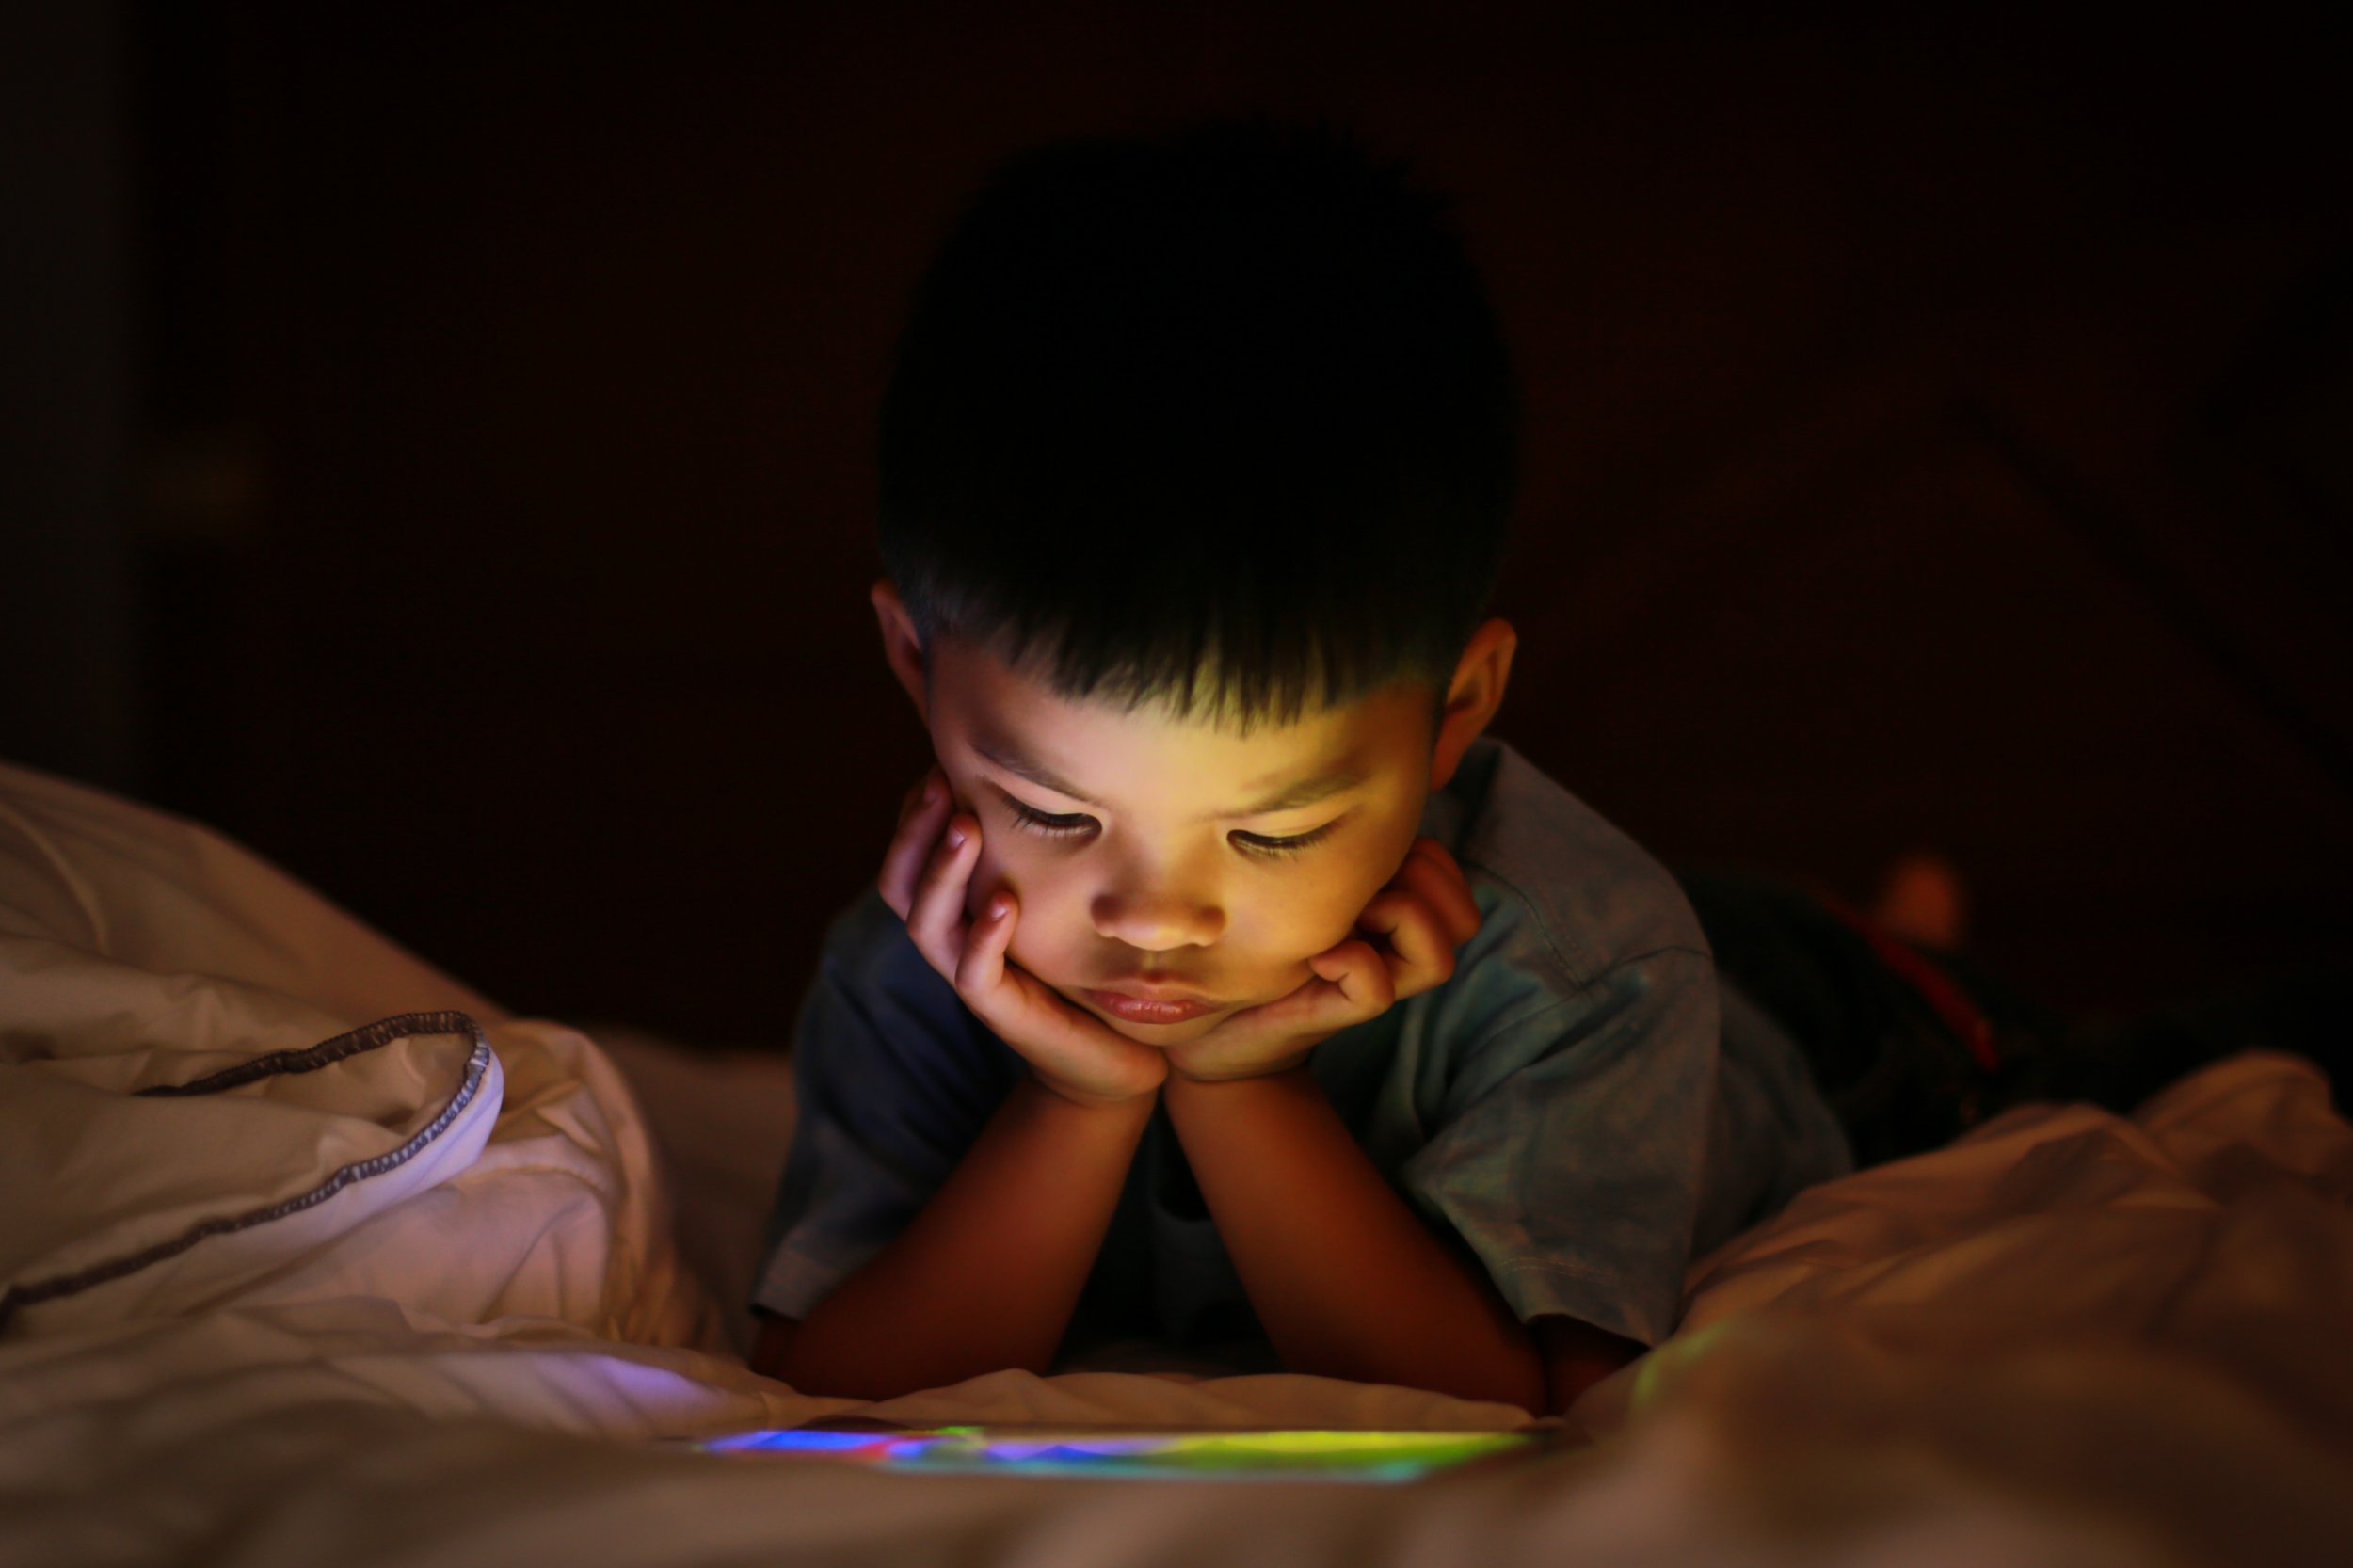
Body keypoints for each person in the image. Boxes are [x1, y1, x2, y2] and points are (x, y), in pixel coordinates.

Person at [745, 120, 1925, 1414]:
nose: (1155, 919)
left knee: (1897, 997)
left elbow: (1526, 1403)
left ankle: (1895, 930)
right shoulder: (920, 957)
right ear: (915, 661)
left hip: (1826, 1026)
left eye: (1273, 832)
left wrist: (1245, 1083)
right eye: (1049, 809)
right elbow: (825, 1384)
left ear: (1456, 709)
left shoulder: (1595, 971)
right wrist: (1070, 1105)